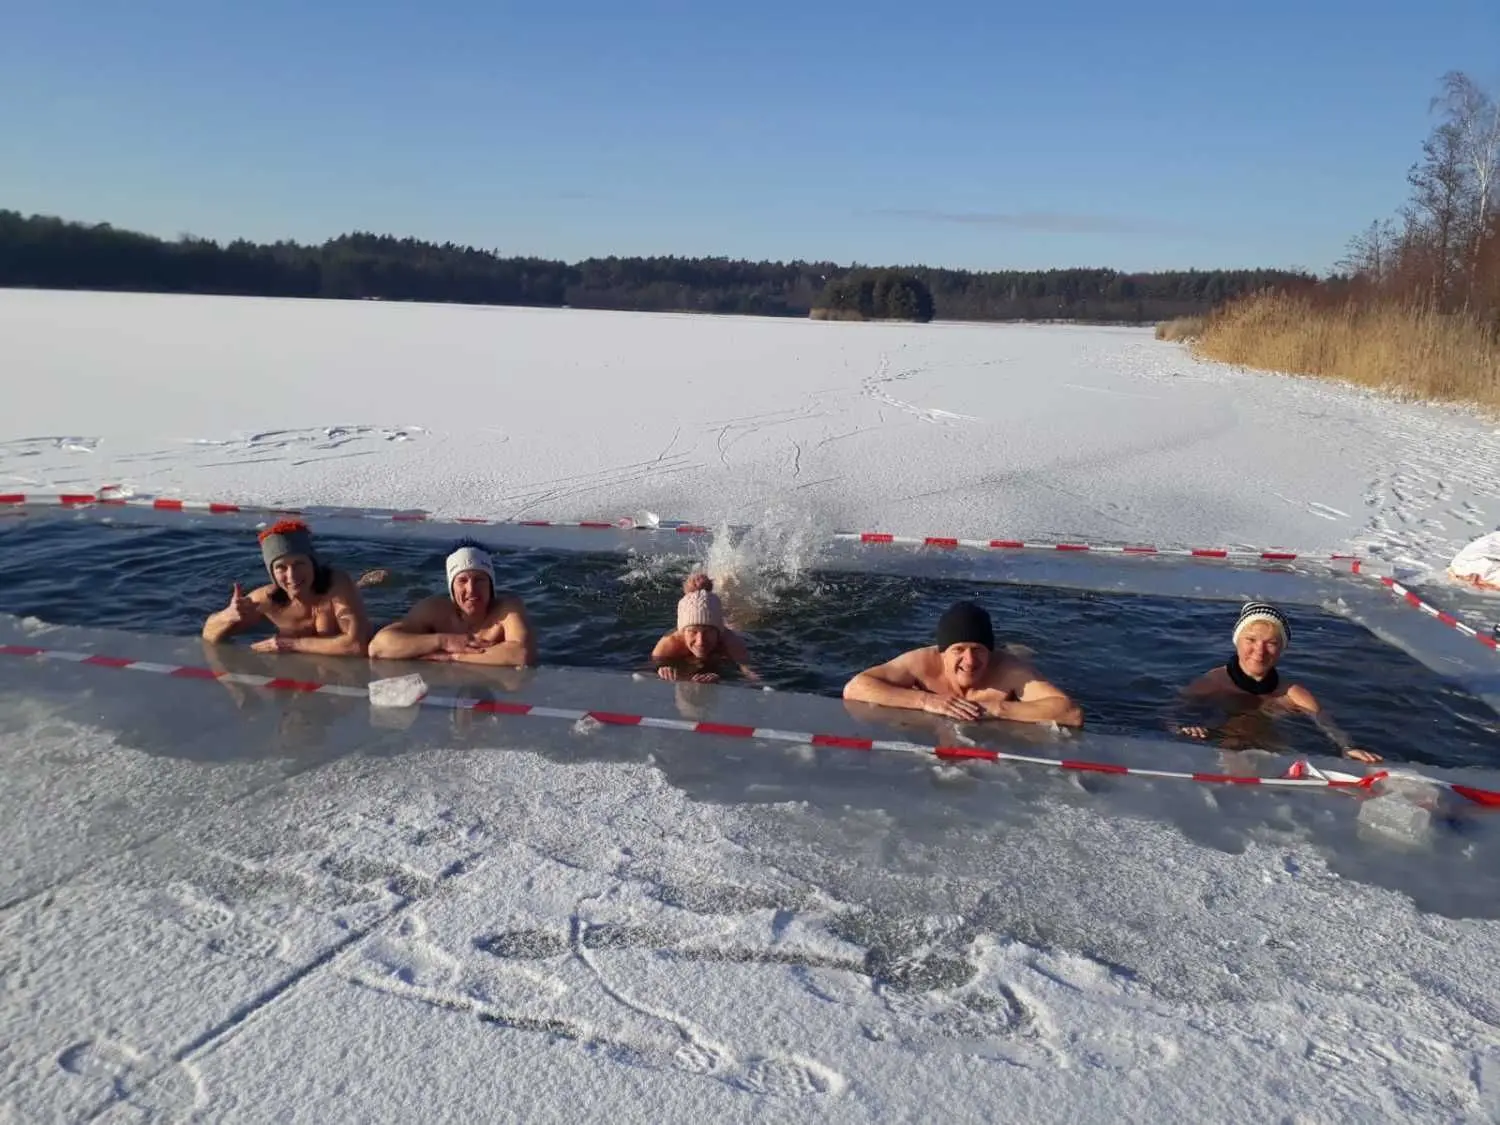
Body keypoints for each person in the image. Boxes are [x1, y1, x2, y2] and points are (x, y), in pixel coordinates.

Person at [1174, 601, 1382, 763]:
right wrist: (1182, 728)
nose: (1259, 651)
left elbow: (1327, 725)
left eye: (1271, 643)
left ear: (1282, 648)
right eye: (1251, 640)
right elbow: (1172, 713)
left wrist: (1347, 747)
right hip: (1220, 746)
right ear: (1237, 640)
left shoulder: (1293, 694)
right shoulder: (1213, 682)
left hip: (1271, 751)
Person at [842, 600, 1083, 726]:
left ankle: (1016, 648)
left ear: (990, 651)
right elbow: (855, 687)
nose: (969, 660)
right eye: (959, 650)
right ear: (943, 652)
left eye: (978, 650)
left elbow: (1070, 713)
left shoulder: (1009, 670)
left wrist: (996, 709)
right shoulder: (921, 663)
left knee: (1019, 655)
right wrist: (926, 700)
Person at [201, 519, 371, 656]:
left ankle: (367, 583)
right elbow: (209, 635)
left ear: (313, 564)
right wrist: (227, 616)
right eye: (281, 567)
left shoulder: (337, 585)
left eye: (299, 564)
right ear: (272, 573)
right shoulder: (266, 599)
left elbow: (356, 645)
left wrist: (289, 644)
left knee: (361, 587)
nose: (292, 576)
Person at [367, 540, 535, 666]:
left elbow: (521, 654)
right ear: (451, 588)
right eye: (462, 580)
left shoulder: (507, 610)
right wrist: (444, 641)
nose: (471, 589)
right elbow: (378, 647)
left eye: (480, 580)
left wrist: (453, 656)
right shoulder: (434, 611)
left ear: (491, 585)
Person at [652, 574, 758, 683]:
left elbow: (753, 678)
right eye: (693, 631)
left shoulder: (731, 642)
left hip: (727, 629)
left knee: (736, 622)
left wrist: (722, 679)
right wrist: (661, 670)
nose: (700, 642)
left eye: (708, 631)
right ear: (683, 633)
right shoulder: (669, 644)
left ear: (718, 632)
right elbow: (643, 674)